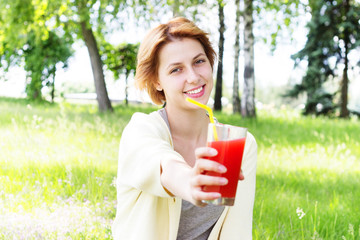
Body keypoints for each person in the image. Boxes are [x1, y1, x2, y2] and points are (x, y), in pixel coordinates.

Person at [112, 17, 257, 240]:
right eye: (176, 70)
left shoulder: (238, 144)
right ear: (157, 81)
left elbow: (237, 231)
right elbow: (165, 166)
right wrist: (191, 183)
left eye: (199, 62)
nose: (193, 77)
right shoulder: (141, 131)